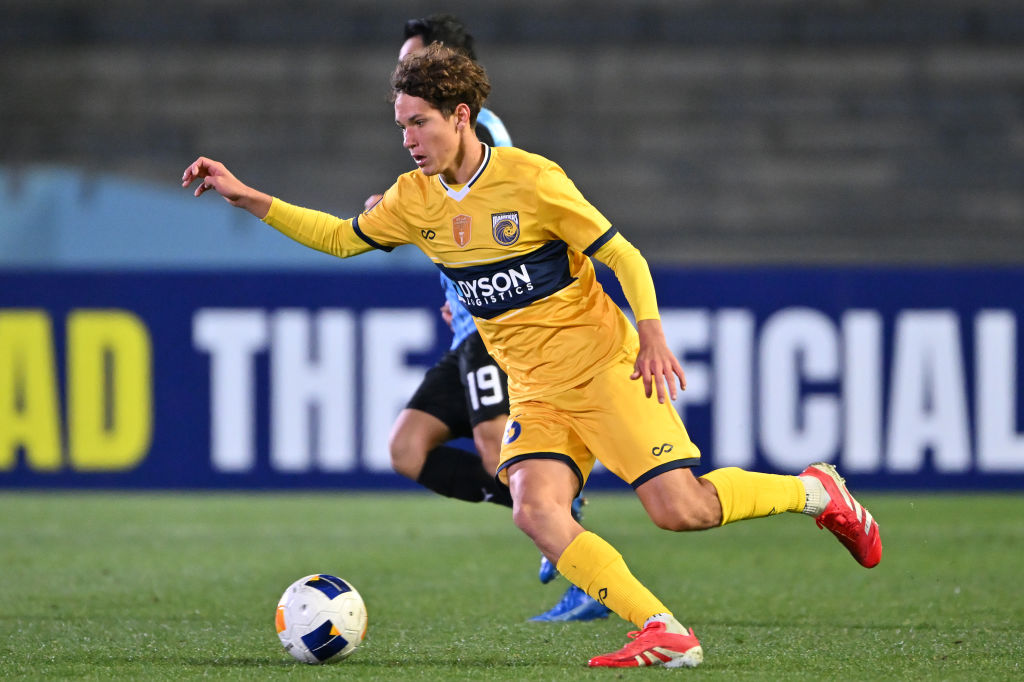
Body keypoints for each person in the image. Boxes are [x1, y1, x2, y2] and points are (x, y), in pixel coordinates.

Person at [182, 44, 882, 669]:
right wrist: (245, 196)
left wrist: (652, 333)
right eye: (400, 126)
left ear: (461, 116)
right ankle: (664, 629)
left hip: (603, 368)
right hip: (536, 390)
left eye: (419, 123)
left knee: (680, 509)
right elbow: (340, 238)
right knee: (534, 509)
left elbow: (624, 255)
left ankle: (817, 492)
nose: (408, 139)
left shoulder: (533, 181)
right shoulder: (414, 200)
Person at [372, 14, 608, 623]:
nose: (400, 71)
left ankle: (577, 554)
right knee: (407, 449)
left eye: (411, 60)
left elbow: (501, 224)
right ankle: (556, 515)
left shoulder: (480, 136)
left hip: (497, 325)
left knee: (493, 449)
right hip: (466, 326)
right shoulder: (430, 137)